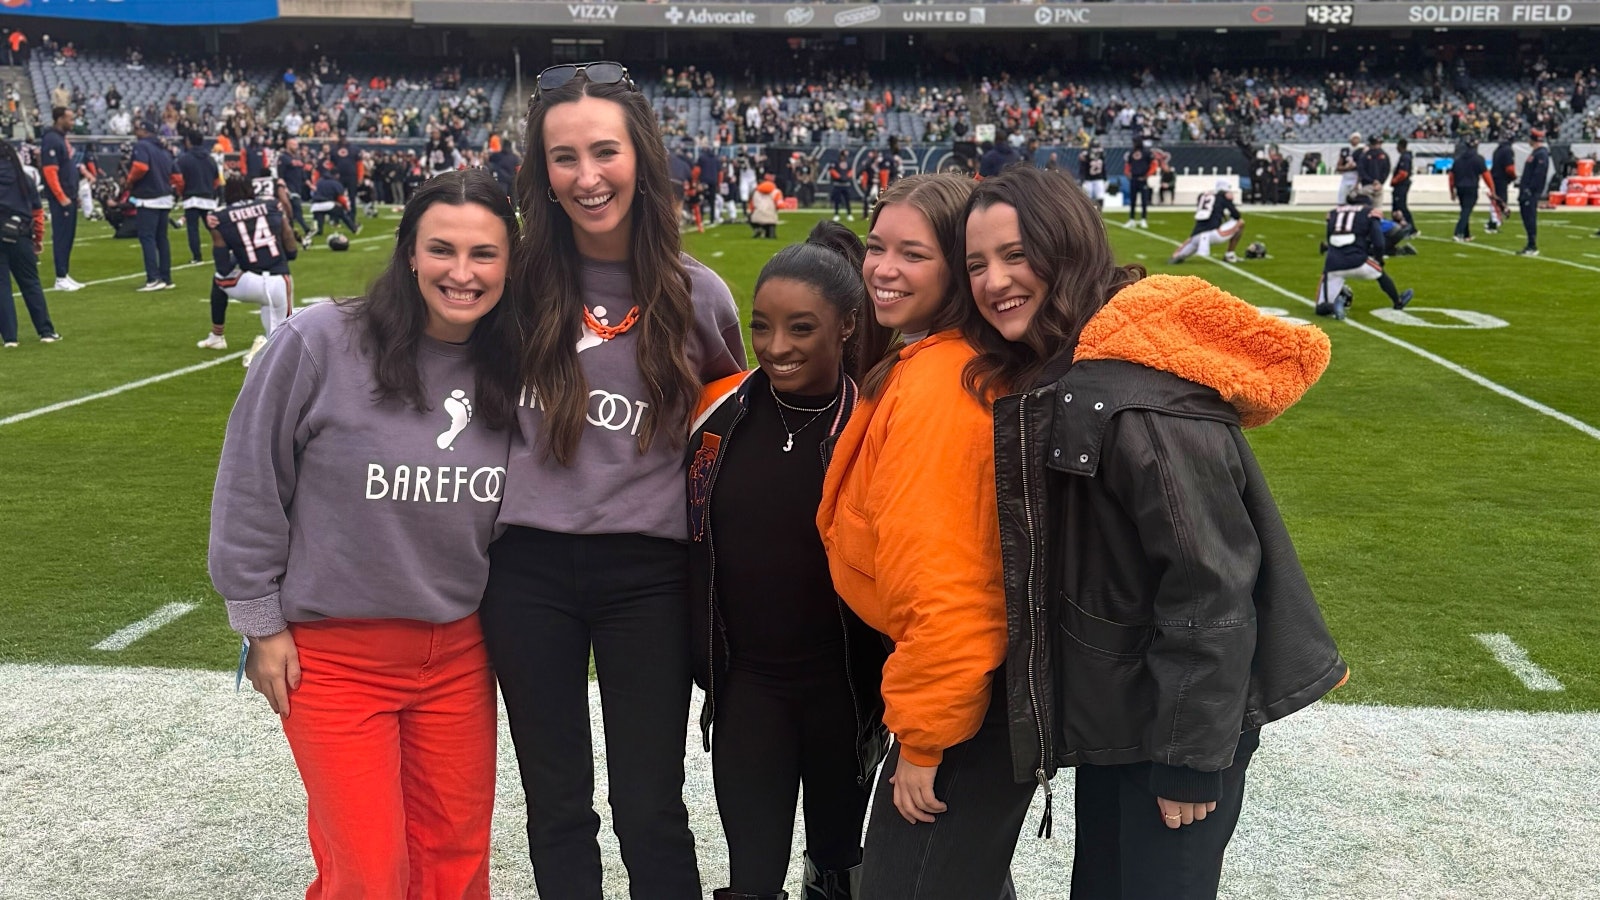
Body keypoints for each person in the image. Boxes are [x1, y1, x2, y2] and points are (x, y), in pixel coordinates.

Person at [965, 165, 1349, 900]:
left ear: (1067, 247)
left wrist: (1189, 757)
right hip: (1132, 704)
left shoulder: (1132, 393)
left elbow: (1211, 586)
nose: (993, 281)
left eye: (1016, 255)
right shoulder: (1077, 368)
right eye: (977, 263)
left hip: (1172, 726)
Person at [207, 168, 522, 899]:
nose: (462, 273)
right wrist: (258, 622)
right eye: (442, 249)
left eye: (485, 254)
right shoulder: (319, 341)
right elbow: (251, 480)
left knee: (456, 861)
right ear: (409, 251)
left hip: (461, 656)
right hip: (333, 659)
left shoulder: (517, 362)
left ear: (511, 263)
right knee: (369, 876)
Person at [480, 60, 744, 900]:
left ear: (643, 158)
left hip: (649, 579)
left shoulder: (698, 295)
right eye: (564, 158)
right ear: (541, 174)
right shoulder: (510, 289)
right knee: (556, 807)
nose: (587, 177)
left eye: (605, 152)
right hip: (524, 575)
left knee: (650, 806)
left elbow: (724, 442)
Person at [816, 173, 1030, 899]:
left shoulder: (944, 386)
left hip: (962, 703)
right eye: (877, 247)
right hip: (970, 691)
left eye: (913, 254)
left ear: (958, 274)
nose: (881, 268)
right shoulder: (937, 360)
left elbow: (951, 585)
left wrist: (927, 737)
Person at [690, 221, 890, 900]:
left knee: (839, 867)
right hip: (748, 691)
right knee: (753, 877)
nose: (777, 347)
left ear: (846, 327)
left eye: (801, 328)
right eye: (762, 326)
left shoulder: (874, 428)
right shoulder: (718, 419)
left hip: (845, 695)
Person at [198, 173, 296, 366]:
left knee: (219, 278)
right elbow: (291, 250)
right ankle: (265, 346)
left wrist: (240, 255)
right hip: (281, 282)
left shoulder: (218, 216)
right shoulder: (272, 205)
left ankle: (218, 336)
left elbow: (223, 266)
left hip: (252, 282)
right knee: (282, 341)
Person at [1316, 188, 1414, 320]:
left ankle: (1334, 306)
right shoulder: (1369, 213)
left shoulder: (1333, 213)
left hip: (1334, 265)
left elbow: (1329, 239)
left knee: (1321, 306)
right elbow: (1378, 242)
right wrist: (1379, 259)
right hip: (1358, 261)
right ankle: (1398, 301)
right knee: (1380, 273)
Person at [0, 137, 60, 347]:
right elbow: (37, 211)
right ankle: (46, 331)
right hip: (21, 234)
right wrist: (38, 238)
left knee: (2, 287)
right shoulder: (24, 178)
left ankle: (9, 338)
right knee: (31, 284)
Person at [124, 120, 176, 291]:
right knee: (162, 238)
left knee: (147, 238)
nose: (136, 131)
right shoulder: (163, 148)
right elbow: (176, 174)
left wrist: (129, 181)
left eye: (138, 128)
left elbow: (140, 166)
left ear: (144, 131)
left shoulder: (142, 146)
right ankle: (166, 277)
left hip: (148, 197)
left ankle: (153, 278)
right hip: (165, 196)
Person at [38, 106, 84, 292]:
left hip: (69, 194)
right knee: (62, 236)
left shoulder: (60, 138)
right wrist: (61, 196)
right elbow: (50, 171)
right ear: (59, 119)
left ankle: (64, 273)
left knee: (69, 236)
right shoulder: (51, 139)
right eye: (69, 119)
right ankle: (60, 277)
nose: (72, 123)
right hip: (62, 198)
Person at [1168, 179, 1245, 265]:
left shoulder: (1203, 196)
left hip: (1196, 236)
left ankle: (1179, 255)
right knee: (1241, 223)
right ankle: (1229, 255)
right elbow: (1236, 215)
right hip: (1213, 234)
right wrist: (1230, 201)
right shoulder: (1222, 196)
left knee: (1179, 256)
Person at [174, 128, 220, 265]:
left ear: (188, 141)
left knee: (193, 229)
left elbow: (179, 180)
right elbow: (216, 180)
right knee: (213, 228)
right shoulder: (210, 159)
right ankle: (226, 249)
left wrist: (182, 192)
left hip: (191, 197)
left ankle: (197, 256)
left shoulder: (184, 159)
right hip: (208, 197)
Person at [1516, 129, 1550, 257]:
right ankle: (1530, 243)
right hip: (1526, 190)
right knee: (1526, 217)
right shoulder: (1536, 153)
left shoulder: (1541, 154)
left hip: (1531, 191)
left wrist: (1531, 189)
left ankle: (1532, 245)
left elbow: (1539, 174)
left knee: (1530, 217)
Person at [1449, 138, 1490, 243]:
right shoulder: (1478, 159)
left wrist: (1451, 190)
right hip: (1471, 187)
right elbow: (1486, 176)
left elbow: (1451, 176)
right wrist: (1492, 188)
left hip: (1460, 187)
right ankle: (1458, 232)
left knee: (1464, 210)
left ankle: (1466, 234)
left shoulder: (1458, 159)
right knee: (1466, 211)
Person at [1123, 137, 1154, 229]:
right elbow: (1128, 164)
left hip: (1143, 179)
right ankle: (1131, 219)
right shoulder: (1131, 153)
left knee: (1144, 201)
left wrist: (1148, 174)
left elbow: (1153, 164)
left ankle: (1143, 219)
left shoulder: (1146, 153)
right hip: (1134, 179)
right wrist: (1127, 173)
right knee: (1133, 200)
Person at [1487, 135, 1515, 234]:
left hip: (1494, 177)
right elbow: (1509, 168)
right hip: (1501, 179)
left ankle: (1492, 222)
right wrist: (1513, 176)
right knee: (1501, 201)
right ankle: (1494, 224)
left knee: (1496, 201)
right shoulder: (1508, 151)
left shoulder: (1497, 150)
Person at [1390, 138, 1416, 234]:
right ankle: (1396, 227)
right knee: (1397, 207)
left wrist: (1394, 181)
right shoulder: (1406, 156)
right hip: (1402, 184)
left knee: (1401, 206)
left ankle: (1411, 228)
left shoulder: (1404, 157)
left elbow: (1403, 173)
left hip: (1401, 185)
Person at [1358, 135, 1391, 205]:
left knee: (1366, 209)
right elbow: (1386, 171)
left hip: (1368, 184)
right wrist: (1380, 182)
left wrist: (1373, 181)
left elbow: (1361, 171)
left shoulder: (1364, 155)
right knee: (1377, 210)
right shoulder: (1384, 155)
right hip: (1377, 185)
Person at [749, 172, 781, 239]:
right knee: (771, 227)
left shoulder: (755, 192)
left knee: (750, 217)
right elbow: (779, 205)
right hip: (771, 217)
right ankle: (770, 233)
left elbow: (752, 206)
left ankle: (758, 229)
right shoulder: (776, 192)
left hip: (757, 216)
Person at [1078, 139, 1107, 210]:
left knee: (1092, 198)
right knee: (1096, 197)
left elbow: (1082, 165)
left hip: (1092, 179)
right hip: (1094, 179)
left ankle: (1095, 213)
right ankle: (1097, 213)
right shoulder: (1101, 153)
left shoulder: (1086, 154)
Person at [1335, 131, 1363, 203]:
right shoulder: (1345, 150)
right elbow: (1338, 167)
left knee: (1354, 198)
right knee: (1342, 197)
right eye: (1354, 138)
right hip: (1346, 175)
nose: (1355, 140)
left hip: (1356, 175)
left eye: (1357, 138)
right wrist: (1346, 168)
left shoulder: (1362, 150)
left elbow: (1362, 167)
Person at [828, 155, 853, 222]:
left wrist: (846, 177)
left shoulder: (848, 163)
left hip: (846, 184)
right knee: (837, 201)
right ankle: (836, 214)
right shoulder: (835, 163)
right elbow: (832, 171)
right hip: (837, 184)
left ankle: (849, 214)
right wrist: (839, 177)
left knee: (847, 200)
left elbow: (851, 171)